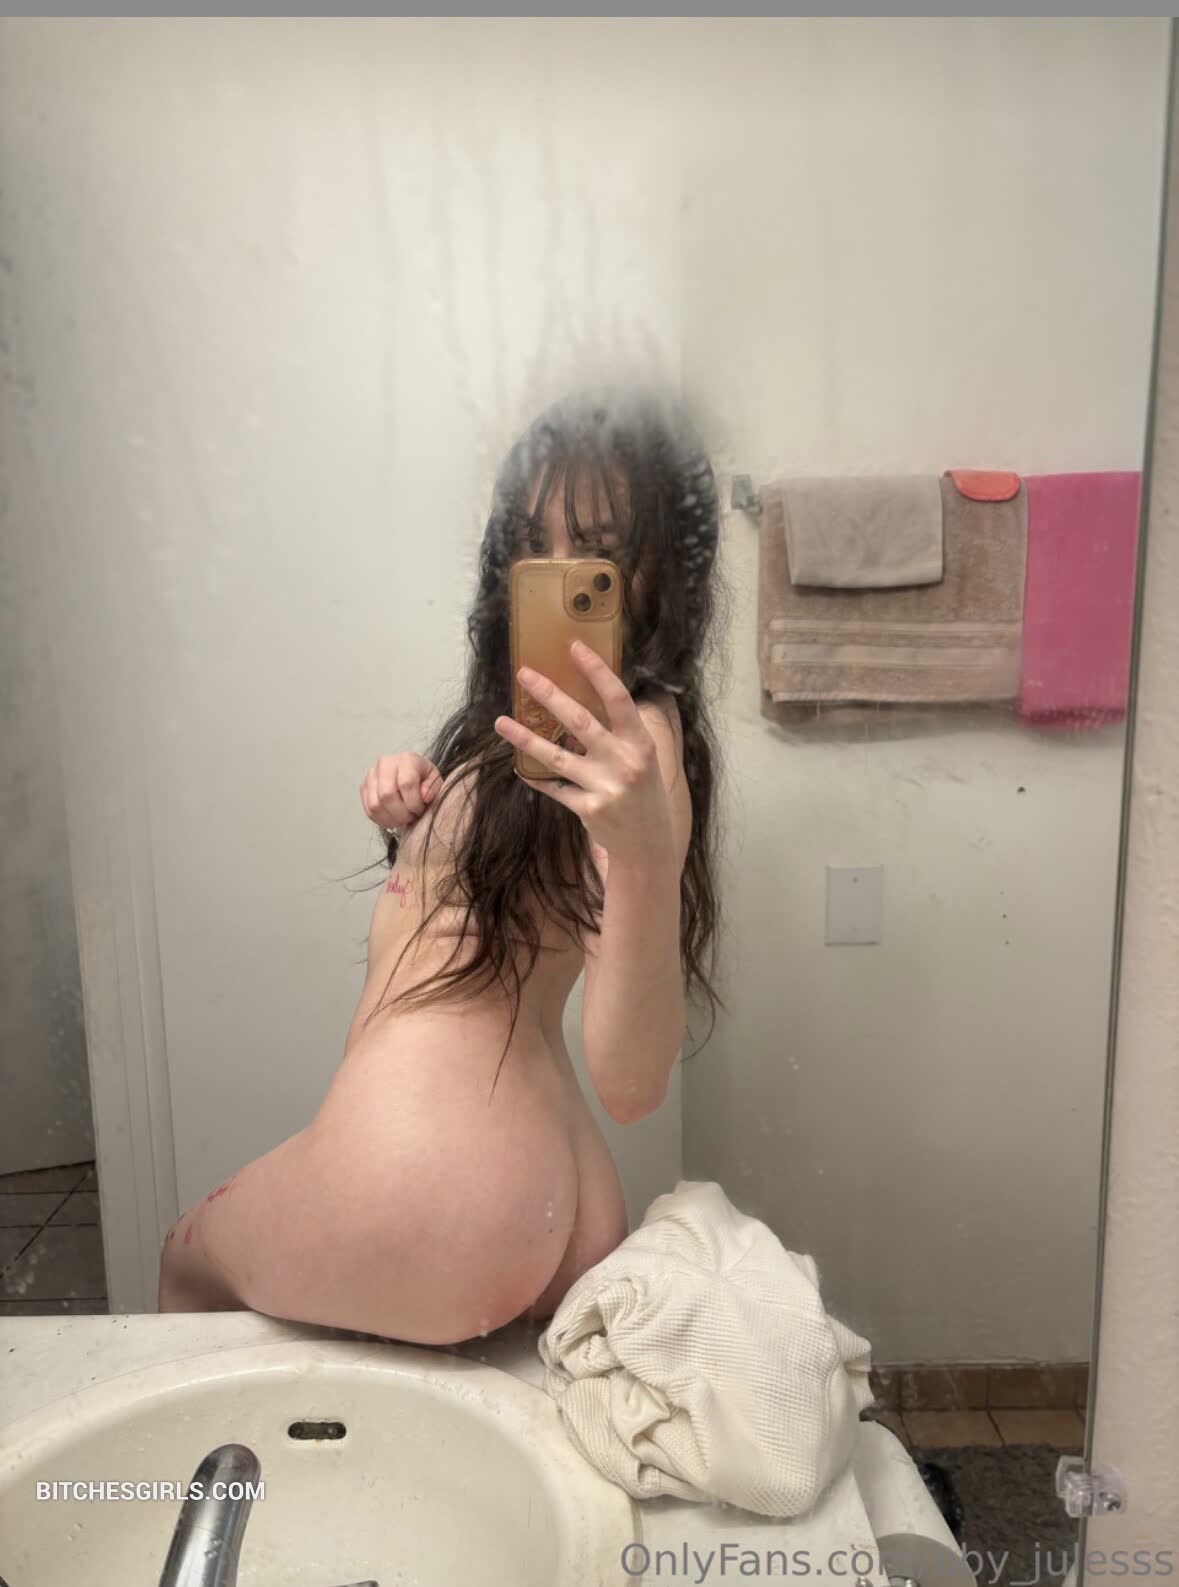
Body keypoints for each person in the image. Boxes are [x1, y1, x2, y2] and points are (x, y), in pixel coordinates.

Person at [157, 385, 727, 1344]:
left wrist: (641, 858)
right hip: (523, 1182)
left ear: (660, 571)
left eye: (595, 544)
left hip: (436, 1180)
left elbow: (632, 1083)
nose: (553, 569)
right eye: (531, 540)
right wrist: (415, 815)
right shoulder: (526, 735)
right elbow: (506, 910)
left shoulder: (636, 745)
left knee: (186, 1256)